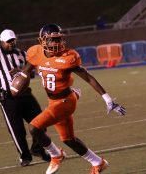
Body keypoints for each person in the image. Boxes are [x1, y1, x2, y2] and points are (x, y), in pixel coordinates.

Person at [18, 24, 126, 174]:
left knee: (34, 128)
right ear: (42, 41)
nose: (56, 44)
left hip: (65, 102)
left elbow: (88, 77)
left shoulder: (68, 57)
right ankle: (98, 162)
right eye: (52, 40)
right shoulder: (35, 53)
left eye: (58, 40)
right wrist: (19, 78)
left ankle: (56, 155)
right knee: (68, 139)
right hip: (54, 101)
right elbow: (27, 71)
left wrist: (107, 99)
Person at [0, 29, 50, 167]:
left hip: (25, 94)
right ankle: (25, 156)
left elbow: (32, 74)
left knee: (41, 122)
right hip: (7, 97)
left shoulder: (22, 54)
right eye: (8, 42)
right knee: (17, 130)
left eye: (13, 41)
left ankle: (37, 148)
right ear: (2, 42)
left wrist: (21, 72)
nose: (11, 44)